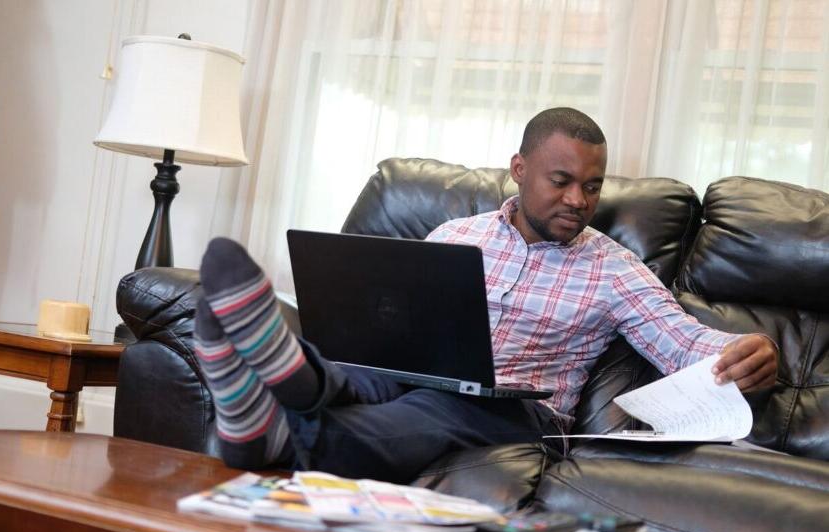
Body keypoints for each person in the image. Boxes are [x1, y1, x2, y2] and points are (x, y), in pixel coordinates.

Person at [193, 108, 778, 483]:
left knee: (434, 408)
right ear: (519, 169)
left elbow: (685, 343)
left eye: (592, 186)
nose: (578, 199)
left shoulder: (615, 268)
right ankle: (301, 379)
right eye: (561, 180)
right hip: (419, 373)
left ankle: (273, 431)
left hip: (518, 412)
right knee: (372, 372)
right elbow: (393, 325)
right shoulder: (455, 235)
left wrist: (746, 349)